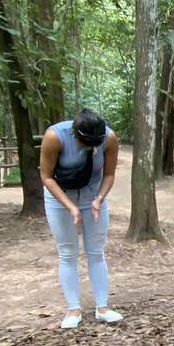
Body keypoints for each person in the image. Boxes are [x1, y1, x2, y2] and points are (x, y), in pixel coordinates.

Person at [40, 108, 122, 329]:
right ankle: (73, 309)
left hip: (93, 196)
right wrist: (70, 207)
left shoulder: (110, 138)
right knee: (67, 252)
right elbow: (46, 176)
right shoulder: (55, 137)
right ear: (76, 135)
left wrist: (99, 199)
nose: (93, 149)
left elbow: (109, 174)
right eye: (88, 144)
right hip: (60, 198)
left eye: (97, 143)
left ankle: (102, 308)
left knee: (96, 252)